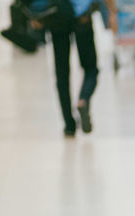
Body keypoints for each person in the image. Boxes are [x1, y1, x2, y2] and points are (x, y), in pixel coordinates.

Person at [34, 0, 116, 137]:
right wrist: (112, 12)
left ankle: (69, 125)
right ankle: (83, 99)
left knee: (62, 73)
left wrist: (36, 14)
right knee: (90, 68)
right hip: (82, 16)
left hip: (57, 15)